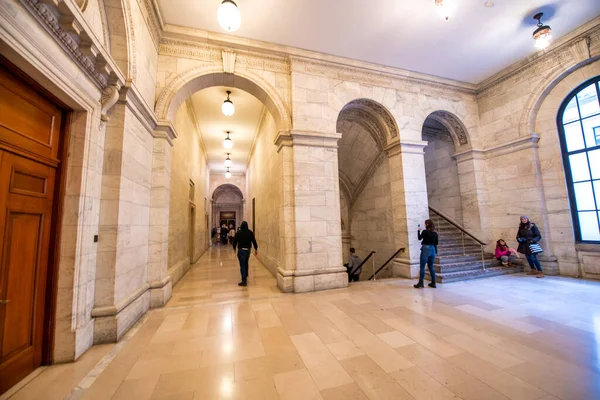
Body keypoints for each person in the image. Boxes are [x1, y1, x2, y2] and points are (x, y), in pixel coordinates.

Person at [414, 219, 438, 289]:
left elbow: (419, 238)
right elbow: (436, 243)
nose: (424, 225)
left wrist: (418, 230)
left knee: (422, 266)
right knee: (431, 266)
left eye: (425, 224)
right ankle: (433, 283)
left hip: (426, 249)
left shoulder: (425, 232)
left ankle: (421, 283)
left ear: (427, 224)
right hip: (433, 250)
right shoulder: (435, 233)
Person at [232, 221, 258, 287]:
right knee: (246, 262)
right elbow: (254, 240)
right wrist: (256, 248)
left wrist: (234, 248)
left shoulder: (238, 232)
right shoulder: (250, 232)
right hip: (248, 251)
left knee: (242, 265)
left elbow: (235, 241)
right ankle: (246, 274)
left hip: (241, 251)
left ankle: (244, 281)